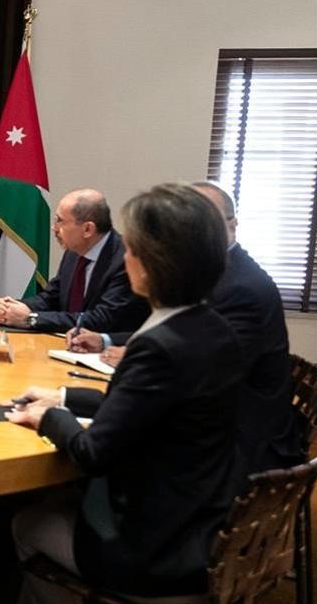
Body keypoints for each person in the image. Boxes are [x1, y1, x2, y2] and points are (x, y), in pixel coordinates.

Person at [5, 183, 244, 604]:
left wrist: (44, 417)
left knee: (27, 523)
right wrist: (61, 395)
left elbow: (92, 452)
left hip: (151, 553)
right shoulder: (213, 327)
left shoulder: (156, 346)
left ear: (151, 266)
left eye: (132, 249)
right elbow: (144, 407)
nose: (125, 257)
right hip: (202, 527)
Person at [68, 182, 303, 473]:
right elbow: (181, 333)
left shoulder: (241, 287)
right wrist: (107, 341)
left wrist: (135, 358)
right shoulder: (214, 276)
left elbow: (198, 364)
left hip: (239, 444)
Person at [0, 188, 148, 332]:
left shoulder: (125, 260)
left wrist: (30, 319)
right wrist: (14, 308)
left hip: (106, 354)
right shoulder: (74, 252)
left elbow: (101, 319)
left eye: (60, 221)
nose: (54, 228)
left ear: (88, 229)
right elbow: (51, 297)